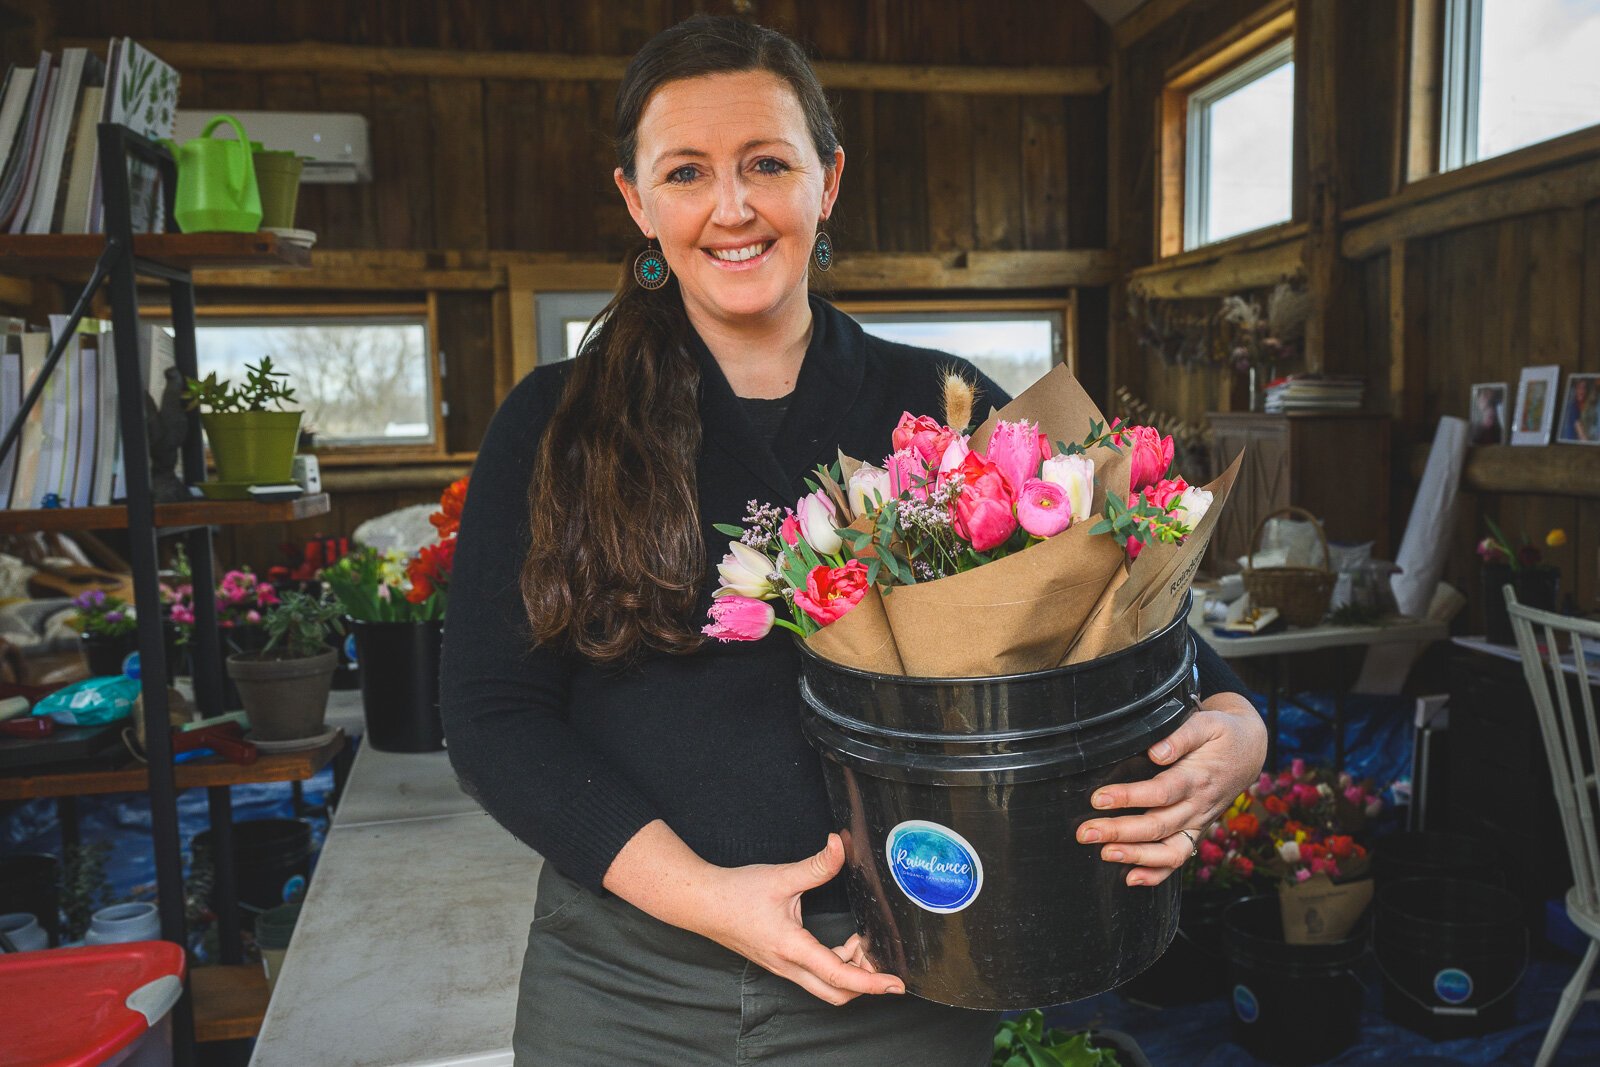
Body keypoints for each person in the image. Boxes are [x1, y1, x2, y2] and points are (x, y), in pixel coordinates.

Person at [440, 14, 1267, 1065]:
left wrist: (1238, 723)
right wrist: (703, 897)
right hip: (623, 982)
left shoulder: (943, 406)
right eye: (686, 171)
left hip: (897, 972)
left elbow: (1122, 623)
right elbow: (491, 716)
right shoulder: (554, 419)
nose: (731, 206)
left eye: (766, 163)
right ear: (636, 200)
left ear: (826, 182)